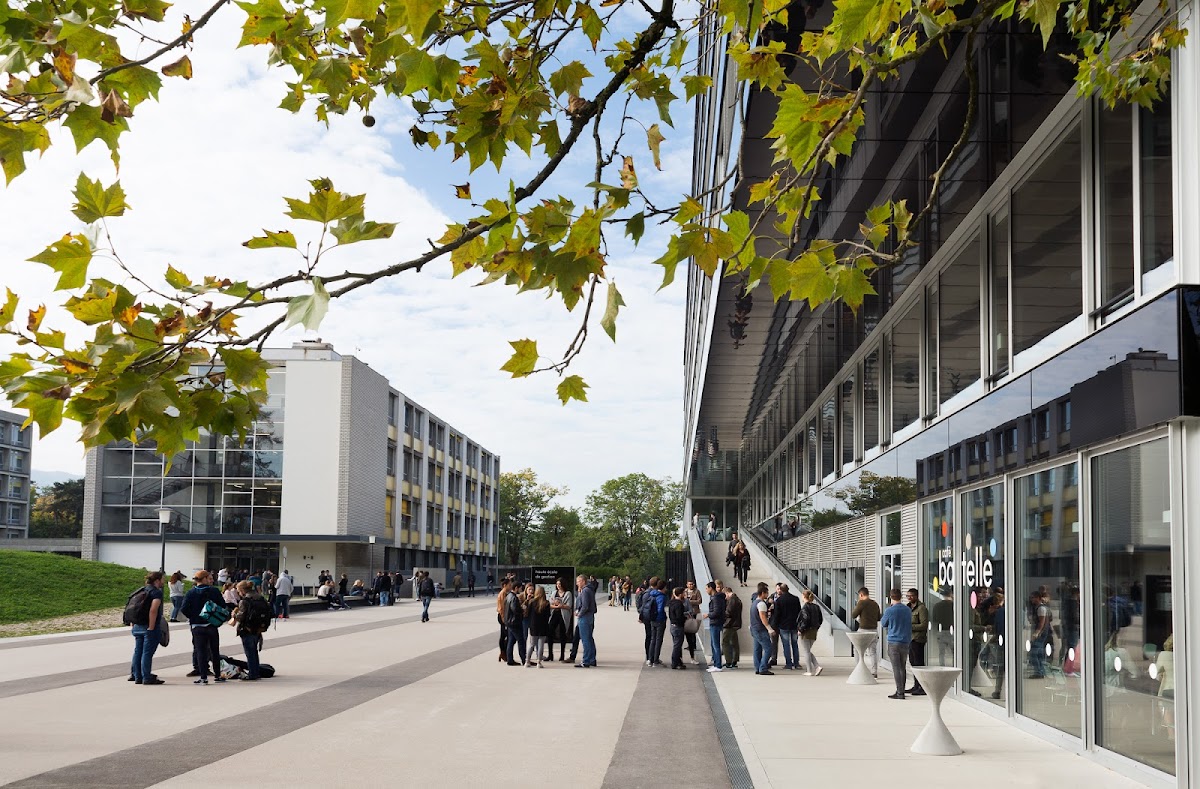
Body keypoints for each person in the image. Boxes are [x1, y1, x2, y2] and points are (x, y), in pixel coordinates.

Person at [181, 570, 226, 685]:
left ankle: (203, 677)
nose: (211, 580)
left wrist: (193, 616)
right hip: (211, 624)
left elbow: (184, 608)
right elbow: (222, 606)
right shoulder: (214, 591)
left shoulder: (191, 593)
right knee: (214, 650)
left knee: (200, 651)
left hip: (197, 626)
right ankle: (217, 675)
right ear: (205, 578)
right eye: (209, 578)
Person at [128, 571, 166, 686]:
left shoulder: (141, 590)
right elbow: (153, 610)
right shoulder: (156, 593)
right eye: (163, 579)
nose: (164, 581)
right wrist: (152, 626)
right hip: (148, 626)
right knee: (147, 653)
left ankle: (137, 676)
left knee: (137, 652)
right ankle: (147, 677)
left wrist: (133, 622)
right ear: (157, 581)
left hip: (137, 625)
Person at [231, 580, 270, 680]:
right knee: (254, 652)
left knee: (250, 653)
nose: (239, 593)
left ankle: (253, 674)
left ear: (243, 590)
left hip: (247, 629)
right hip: (258, 629)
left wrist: (234, 614)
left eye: (239, 591)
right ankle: (256, 672)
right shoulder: (260, 598)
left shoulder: (245, 601)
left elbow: (241, 616)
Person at [881, 588, 912, 699]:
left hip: (894, 641)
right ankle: (901, 689)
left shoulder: (890, 610)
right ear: (900, 596)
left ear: (891, 597)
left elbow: (883, 623)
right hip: (905, 641)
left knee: (896, 668)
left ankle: (900, 692)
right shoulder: (907, 610)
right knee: (902, 667)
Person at [850, 587, 881, 677]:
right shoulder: (875, 604)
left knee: (857, 649)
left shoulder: (862, 603)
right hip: (874, 630)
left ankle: (858, 669)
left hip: (863, 630)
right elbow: (879, 618)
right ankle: (874, 672)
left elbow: (853, 615)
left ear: (861, 595)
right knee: (873, 652)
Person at [771, 583, 801, 670]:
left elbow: (777, 615)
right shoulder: (795, 599)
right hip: (794, 625)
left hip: (784, 625)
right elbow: (799, 612)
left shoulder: (779, 600)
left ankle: (788, 663)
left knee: (786, 644)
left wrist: (774, 625)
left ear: (781, 590)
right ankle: (796, 663)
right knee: (795, 644)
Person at [906, 588, 929, 695]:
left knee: (919, 663)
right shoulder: (907, 607)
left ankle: (923, 687)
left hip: (918, 639)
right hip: (910, 639)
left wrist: (909, 627)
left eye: (911, 596)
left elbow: (924, 625)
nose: (909, 598)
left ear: (916, 596)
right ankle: (916, 685)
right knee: (913, 663)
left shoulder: (922, 608)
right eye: (907, 596)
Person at [797, 589, 823, 676]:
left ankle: (810, 670)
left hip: (806, 631)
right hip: (814, 631)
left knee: (806, 651)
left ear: (804, 597)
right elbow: (820, 619)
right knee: (807, 650)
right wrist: (816, 627)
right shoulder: (816, 607)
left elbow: (805, 619)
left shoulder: (805, 607)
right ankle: (817, 667)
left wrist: (800, 629)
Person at [750, 582, 774, 675]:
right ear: (763, 593)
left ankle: (758, 667)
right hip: (760, 629)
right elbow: (763, 617)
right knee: (768, 648)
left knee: (757, 648)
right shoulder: (761, 604)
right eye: (767, 593)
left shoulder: (754, 602)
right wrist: (769, 628)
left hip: (754, 628)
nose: (767, 595)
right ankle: (763, 667)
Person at [549, 577, 574, 662]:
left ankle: (562, 654)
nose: (558, 586)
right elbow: (550, 603)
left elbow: (569, 606)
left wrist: (561, 605)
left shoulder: (568, 594)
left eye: (560, 584)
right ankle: (550, 654)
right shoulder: (554, 593)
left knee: (562, 634)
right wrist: (555, 605)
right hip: (554, 614)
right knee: (550, 632)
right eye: (557, 584)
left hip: (563, 615)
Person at [575, 574, 597, 668]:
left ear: (583, 581)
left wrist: (579, 614)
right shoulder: (589, 590)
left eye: (578, 581)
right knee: (589, 638)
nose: (577, 583)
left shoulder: (585, 591)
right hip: (590, 617)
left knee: (585, 640)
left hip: (585, 617)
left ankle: (586, 660)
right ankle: (592, 659)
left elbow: (585, 606)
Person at [703, 580, 725, 672]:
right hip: (716, 622)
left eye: (707, 588)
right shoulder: (717, 597)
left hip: (715, 622)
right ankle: (716, 663)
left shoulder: (715, 598)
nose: (706, 590)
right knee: (713, 643)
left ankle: (718, 665)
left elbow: (716, 611)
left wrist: (708, 615)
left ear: (711, 588)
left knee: (715, 644)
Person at [527, 586, 552, 668]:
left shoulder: (532, 602)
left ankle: (527, 661)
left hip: (533, 626)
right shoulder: (546, 603)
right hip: (543, 626)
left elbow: (528, 613)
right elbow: (548, 615)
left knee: (532, 644)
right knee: (541, 645)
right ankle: (539, 662)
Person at [503, 579, 526, 666]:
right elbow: (515, 609)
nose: (521, 590)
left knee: (511, 641)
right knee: (521, 640)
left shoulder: (508, 596)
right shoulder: (513, 597)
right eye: (520, 588)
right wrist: (522, 609)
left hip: (509, 622)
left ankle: (510, 659)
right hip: (514, 622)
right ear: (516, 588)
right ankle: (524, 659)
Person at [668, 587, 689, 670]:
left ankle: (678, 662)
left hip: (673, 626)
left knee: (676, 644)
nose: (685, 595)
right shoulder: (679, 604)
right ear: (680, 594)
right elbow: (679, 616)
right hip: (678, 627)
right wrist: (684, 618)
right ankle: (674, 663)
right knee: (677, 646)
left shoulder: (671, 603)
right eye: (684, 593)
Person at [723, 586, 743, 669]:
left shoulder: (732, 600)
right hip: (735, 624)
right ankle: (734, 660)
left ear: (727, 593)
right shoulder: (737, 599)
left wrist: (723, 614)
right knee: (734, 642)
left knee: (725, 642)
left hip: (730, 624)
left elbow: (729, 612)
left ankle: (728, 661)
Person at [496, 578, 511, 662]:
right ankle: (503, 652)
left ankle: (503, 652)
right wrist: (504, 620)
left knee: (504, 635)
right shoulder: (502, 594)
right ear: (505, 585)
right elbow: (501, 608)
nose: (511, 586)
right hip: (503, 616)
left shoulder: (506, 593)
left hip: (505, 616)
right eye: (509, 585)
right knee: (505, 636)